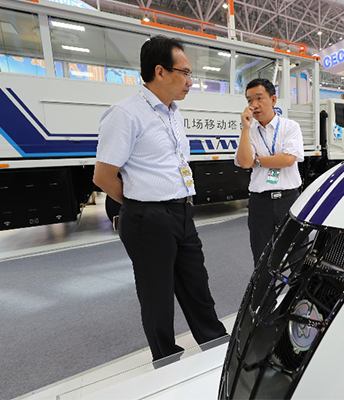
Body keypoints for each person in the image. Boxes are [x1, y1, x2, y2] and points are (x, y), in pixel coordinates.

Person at [93, 35, 226, 361]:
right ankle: (166, 359)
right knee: (158, 297)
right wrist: (140, 204)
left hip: (182, 212)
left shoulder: (173, 113)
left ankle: (215, 347)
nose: (190, 81)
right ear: (160, 71)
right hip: (148, 218)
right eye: (185, 72)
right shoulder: (125, 114)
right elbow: (103, 176)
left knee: (197, 286)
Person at [235, 78, 304, 265]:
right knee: (261, 257)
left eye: (259, 98)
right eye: (249, 100)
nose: (254, 105)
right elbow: (244, 162)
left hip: (289, 199)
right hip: (260, 202)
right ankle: (268, 286)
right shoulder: (249, 131)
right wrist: (245, 128)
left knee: (297, 255)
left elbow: (288, 160)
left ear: (273, 99)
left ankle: (298, 285)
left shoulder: (290, 127)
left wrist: (257, 161)